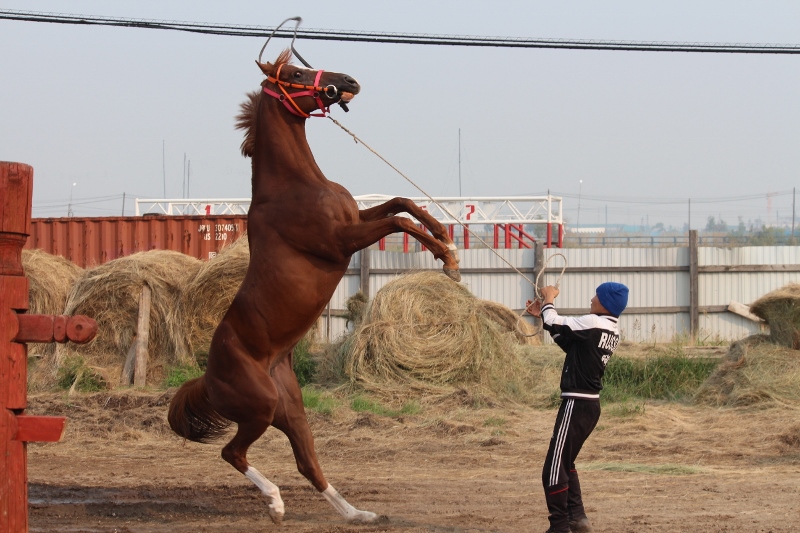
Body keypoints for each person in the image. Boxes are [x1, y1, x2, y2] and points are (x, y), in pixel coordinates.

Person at [526, 282, 629, 533]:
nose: (591, 299)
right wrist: (545, 315)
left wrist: (549, 299)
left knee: (553, 466)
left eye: (596, 295)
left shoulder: (593, 323)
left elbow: (557, 321)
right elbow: (568, 342)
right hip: (589, 405)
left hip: (577, 403)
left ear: (605, 302)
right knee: (565, 462)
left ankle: (559, 525)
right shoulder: (609, 329)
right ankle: (577, 518)